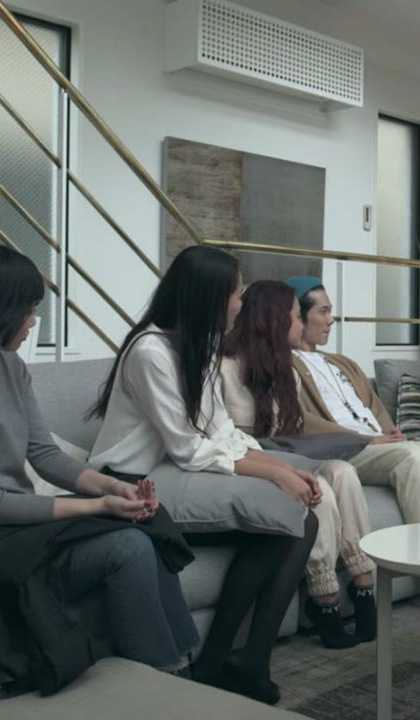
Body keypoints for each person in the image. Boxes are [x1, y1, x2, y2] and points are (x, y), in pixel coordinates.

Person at [0, 242, 198, 683]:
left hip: (24, 527)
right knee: (127, 546)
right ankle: (163, 685)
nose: (33, 321)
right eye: (27, 310)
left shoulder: (7, 365)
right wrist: (98, 506)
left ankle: (184, 672)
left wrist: (112, 488)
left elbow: (44, 454)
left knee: (151, 521)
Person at [87, 246, 317, 705]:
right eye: (236, 294)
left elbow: (221, 430)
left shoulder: (201, 345)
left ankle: (244, 660)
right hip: (130, 482)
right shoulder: (149, 352)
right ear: (208, 297)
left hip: (172, 470)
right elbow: (189, 447)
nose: (241, 304)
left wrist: (281, 469)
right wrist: (277, 478)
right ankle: (227, 661)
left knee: (296, 518)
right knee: (288, 519)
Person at [284, 276, 420, 623]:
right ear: (298, 316)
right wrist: (365, 439)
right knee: (411, 458)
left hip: (385, 445)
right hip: (350, 451)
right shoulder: (285, 366)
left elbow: (375, 409)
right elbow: (300, 421)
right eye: (324, 312)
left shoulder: (341, 362)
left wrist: (389, 432)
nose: (331, 320)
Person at [218, 280, 376, 650]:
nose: (302, 325)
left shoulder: (285, 371)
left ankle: (364, 586)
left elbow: (291, 433)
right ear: (275, 320)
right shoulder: (222, 368)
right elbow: (222, 440)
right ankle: (325, 600)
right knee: (320, 493)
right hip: (247, 464)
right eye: (296, 317)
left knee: (343, 473)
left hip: (283, 455)